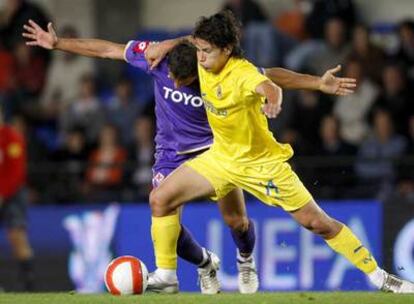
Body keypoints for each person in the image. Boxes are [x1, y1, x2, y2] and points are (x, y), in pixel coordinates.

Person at [23, 18, 357, 294]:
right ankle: (204, 263)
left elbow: (269, 75)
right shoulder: (157, 59)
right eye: (171, 80)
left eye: (183, 83)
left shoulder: (217, 70)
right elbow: (108, 50)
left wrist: (316, 83)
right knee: (162, 207)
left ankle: (244, 259)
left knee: (236, 221)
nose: (174, 84)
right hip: (170, 155)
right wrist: (59, 44)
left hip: (217, 151)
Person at [143, 10, 414, 294]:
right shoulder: (205, 62)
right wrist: (165, 44)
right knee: (160, 199)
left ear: (227, 49)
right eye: (198, 50)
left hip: (263, 166)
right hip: (221, 158)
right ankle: (167, 276)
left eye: (206, 51)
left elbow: (270, 84)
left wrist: (274, 100)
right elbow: (271, 71)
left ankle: (380, 277)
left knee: (318, 223)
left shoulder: (241, 72)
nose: (199, 57)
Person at [0, 103, 35, 291]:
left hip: (13, 194)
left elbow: (16, 172)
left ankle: (29, 286)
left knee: (17, 236)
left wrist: (2, 193)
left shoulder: (13, 137)